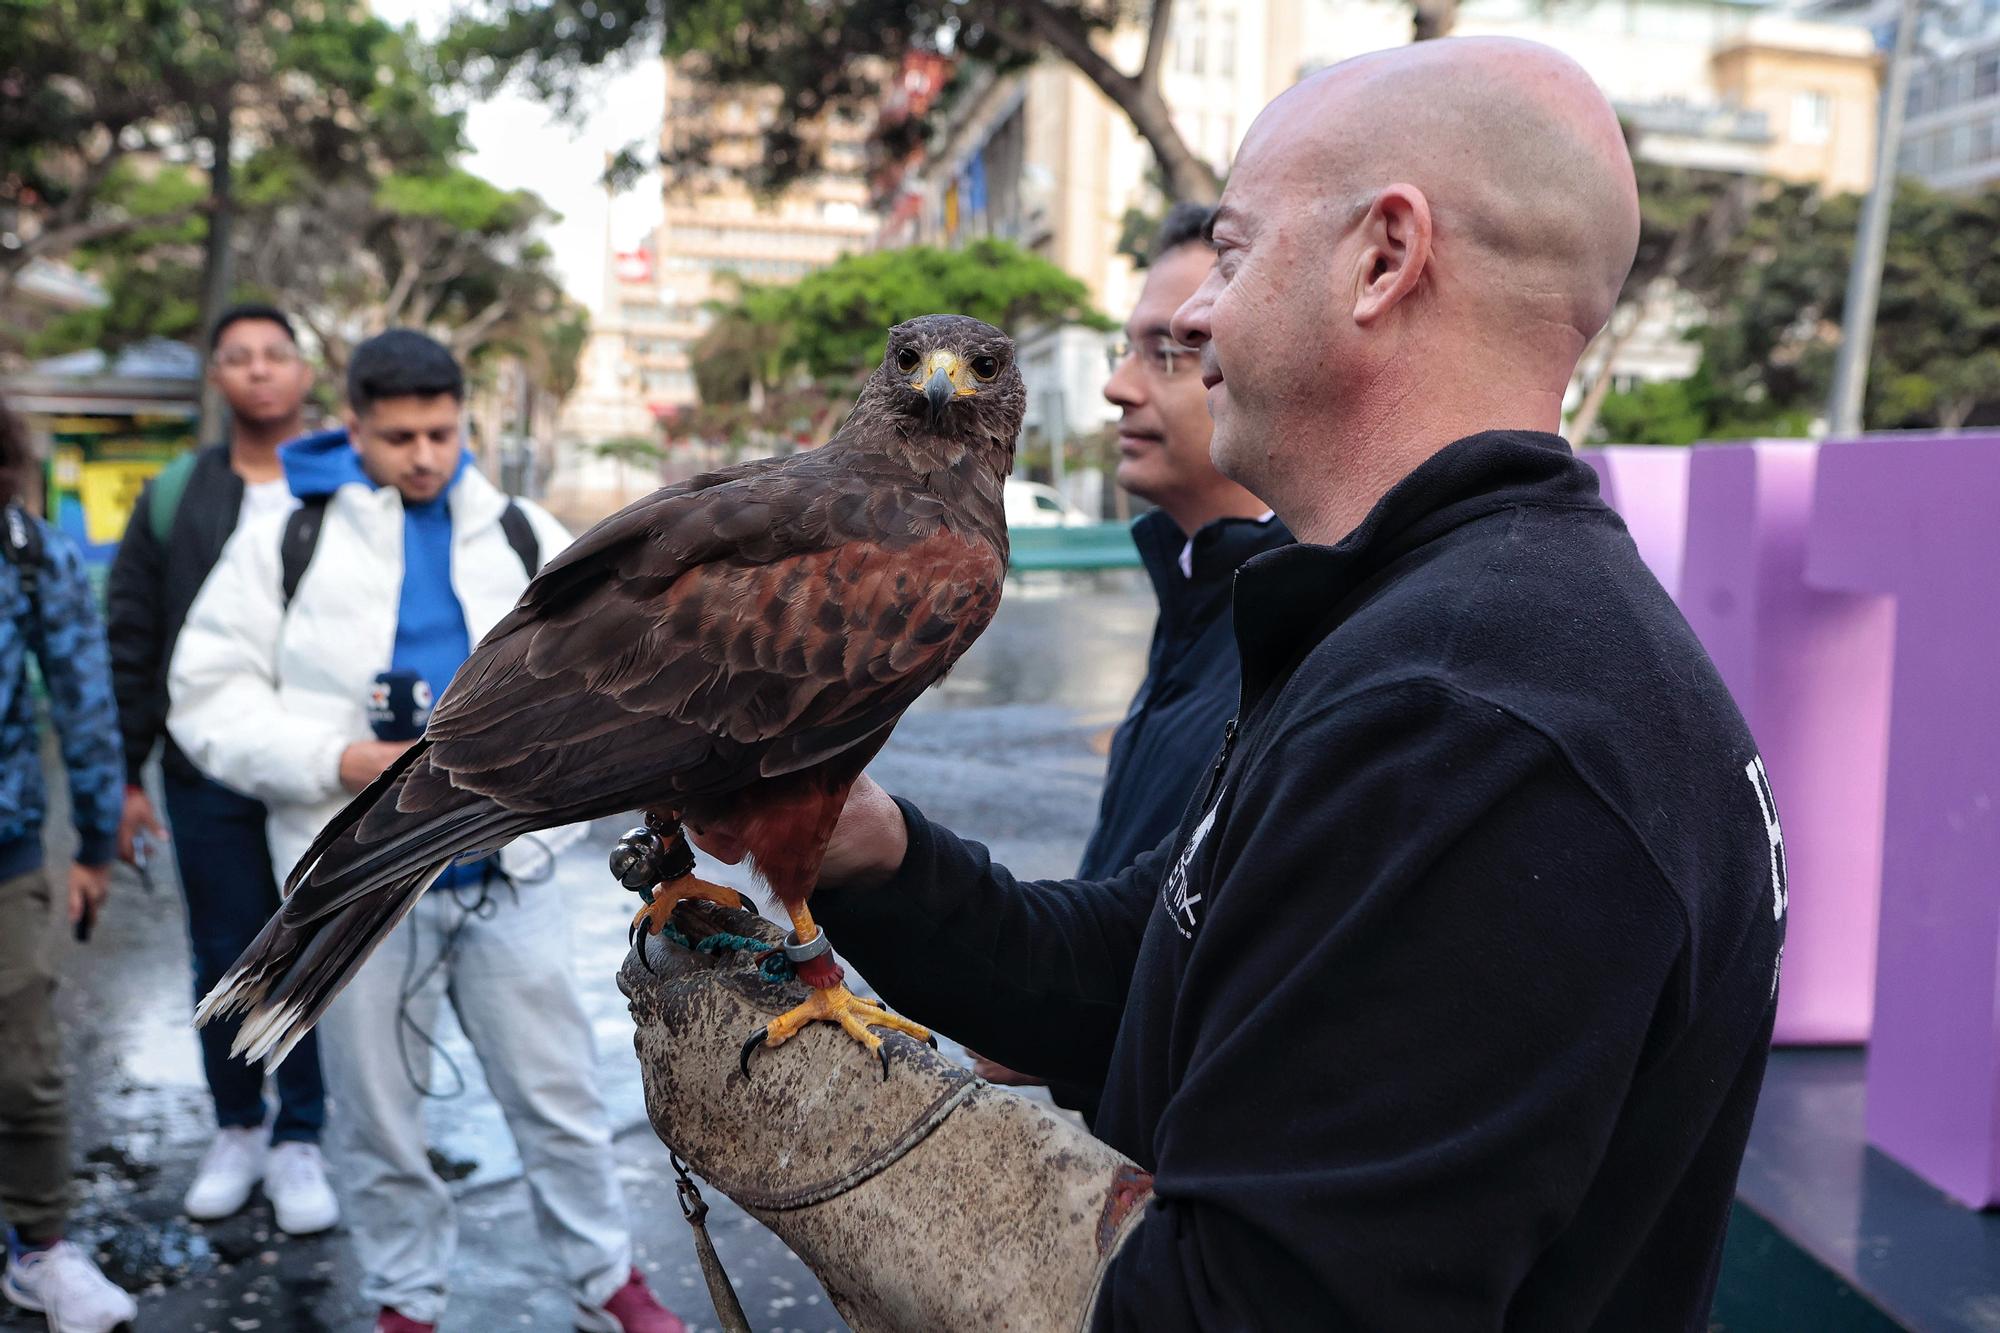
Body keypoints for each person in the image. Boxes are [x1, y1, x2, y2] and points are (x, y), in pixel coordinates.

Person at [717, 39, 1786, 1330]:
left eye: (1229, 254)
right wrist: (872, 854)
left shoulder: (1472, 723)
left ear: (1383, 258)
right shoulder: (1414, 625)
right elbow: (1150, 971)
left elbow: (1256, 1308)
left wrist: (859, 1149)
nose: (1199, 317)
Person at [169, 330, 684, 1333]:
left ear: (464, 424)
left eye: (441, 432)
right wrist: (336, 760)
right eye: (396, 434)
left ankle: (607, 1280)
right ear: (352, 427)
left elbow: (607, 689)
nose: (421, 454)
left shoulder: (527, 533)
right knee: (377, 1116)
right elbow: (205, 697)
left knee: (559, 1094)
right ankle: (407, 1297)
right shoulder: (287, 533)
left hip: (510, 875)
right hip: (357, 885)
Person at [973, 204, 1288, 1096]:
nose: (1117, 386)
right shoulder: (1195, 590)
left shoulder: (1311, 632)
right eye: (1128, 347)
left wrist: (1072, 1024)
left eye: (1170, 352)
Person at [105, 302, 340, 1234]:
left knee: (316, 938)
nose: (257, 371)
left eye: (274, 354)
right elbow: (132, 636)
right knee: (222, 945)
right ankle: (239, 1124)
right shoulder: (176, 495)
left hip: (317, 763)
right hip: (203, 769)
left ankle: (303, 1135)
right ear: (216, 378)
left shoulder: (344, 487)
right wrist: (122, 776)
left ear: (303, 372)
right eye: (237, 357)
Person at [0, 397, 139, 1333]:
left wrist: (95, 843)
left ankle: (41, 1243)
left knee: (24, 1061)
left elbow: (84, 701)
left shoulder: (29, 550)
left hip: (5, 853)